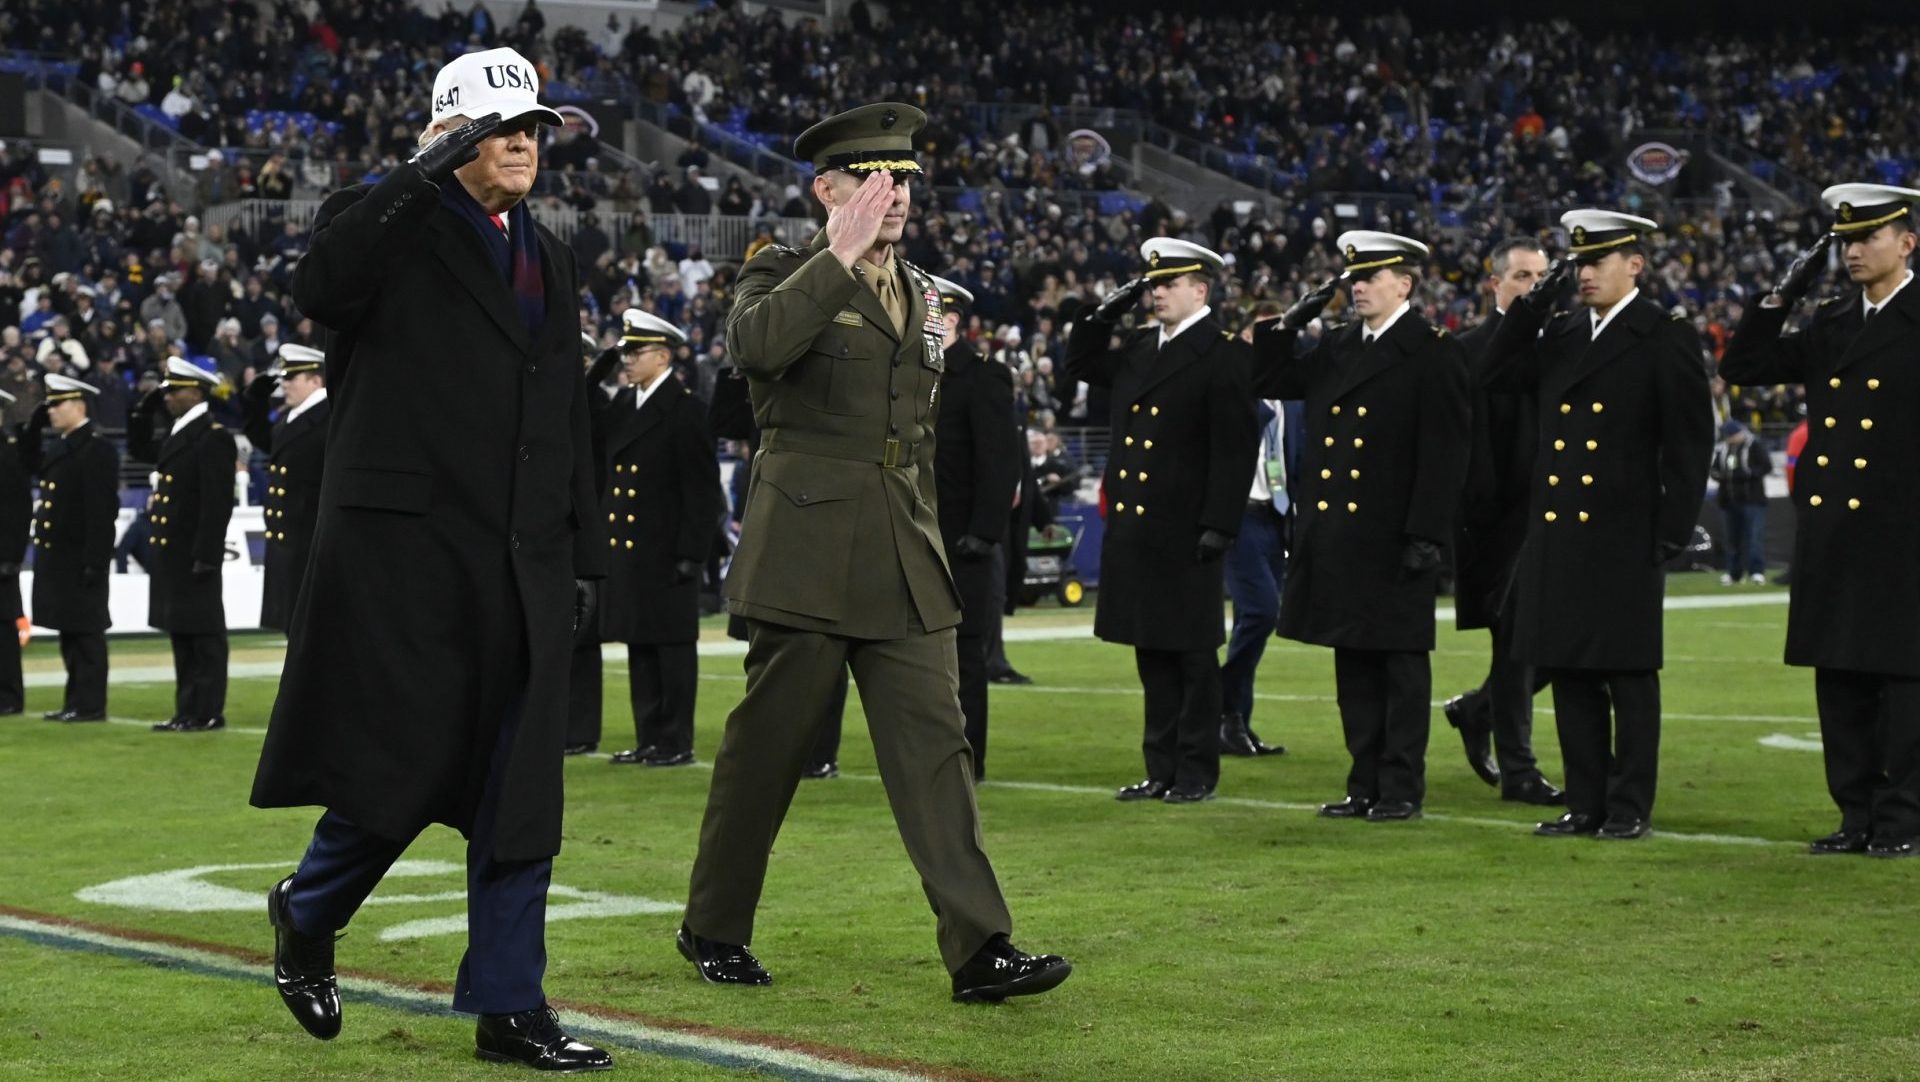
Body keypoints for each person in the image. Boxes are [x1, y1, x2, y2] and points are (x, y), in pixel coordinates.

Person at [247, 48, 613, 1071]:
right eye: (501, 126)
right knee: (399, 768)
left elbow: (564, 409)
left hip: (523, 559)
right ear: (450, 135)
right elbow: (322, 286)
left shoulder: (552, 250)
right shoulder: (384, 221)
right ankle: (307, 910)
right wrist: (415, 174)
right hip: (409, 558)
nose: (525, 141)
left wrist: (583, 550)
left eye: (534, 126)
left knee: (520, 788)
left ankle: (510, 1005)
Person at [682, 102, 1070, 1004]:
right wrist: (839, 254)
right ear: (827, 189)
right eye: (872, 179)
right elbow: (754, 348)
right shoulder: (781, 269)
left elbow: (917, 435)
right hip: (808, 550)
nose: (893, 195)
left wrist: (930, 530)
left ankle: (980, 948)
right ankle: (713, 925)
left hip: (902, 546)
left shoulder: (927, 293)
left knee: (938, 750)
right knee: (768, 754)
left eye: (903, 180)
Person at [1482, 210, 1713, 841]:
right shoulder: (1558, 333)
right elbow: (1493, 374)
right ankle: (1585, 802)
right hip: (1559, 532)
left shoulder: (1663, 335)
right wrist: (1529, 307)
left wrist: (1670, 531)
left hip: (1625, 531)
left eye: (1597, 262)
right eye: (1578, 263)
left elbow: (1691, 444)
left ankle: (1629, 803)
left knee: (1628, 675)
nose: (1585, 274)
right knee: (1573, 672)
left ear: (1633, 265)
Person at [1718, 183, 1920, 857]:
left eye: (1867, 238)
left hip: (1904, 536)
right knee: (1840, 682)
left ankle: (1902, 821)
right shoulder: (1832, 321)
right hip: (1834, 536)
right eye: (1844, 242)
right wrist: (1781, 296)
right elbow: (1742, 365)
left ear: (1907, 242)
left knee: (1904, 686)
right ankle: (1855, 815)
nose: (1854, 251)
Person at [1249, 231, 1471, 822]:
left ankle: (1400, 787)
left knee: (1398, 667)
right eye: (1353, 278)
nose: (1358, 286)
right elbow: (1269, 380)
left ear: (1405, 283)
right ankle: (1363, 781)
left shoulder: (1433, 349)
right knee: (1353, 665)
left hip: (1395, 537)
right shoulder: (1339, 344)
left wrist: (1427, 533)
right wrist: (1285, 324)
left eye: (1371, 276)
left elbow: (1445, 451)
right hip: (1340, 537)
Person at [1064, 238, 1257, 803]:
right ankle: (1160, 767)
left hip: (1187, 529)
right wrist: (1104, 311)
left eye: (1167, 284)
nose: (1155, 294)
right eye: (1150, 285)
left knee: (1192, 655)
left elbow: (1234, 447)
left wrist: (1220, 522)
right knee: (1151, 653)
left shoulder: (1223, 354)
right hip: (1137, 530)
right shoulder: (1138, 347)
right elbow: (1079, 362)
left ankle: (1195, 770)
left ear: (1201, 289)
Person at [1442, 238, 1565, 805]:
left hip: (1561, 517)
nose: (1531, 286)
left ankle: (1477, 711)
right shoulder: (1468, 349)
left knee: (1559, 645)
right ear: (1495, 284)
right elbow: (1469, 449)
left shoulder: (1565, 343)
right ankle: (1519, 769)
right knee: (1517, 645)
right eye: (1520, 276)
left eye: (1540, 276)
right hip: (1501, 523)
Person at [705, 361, 852, 778]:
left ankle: (820, 751)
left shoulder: (822, 384)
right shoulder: (768, 390)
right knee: (772, 645)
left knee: (822, 643)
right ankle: (781, 746)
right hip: (772, 524)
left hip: (818, 520)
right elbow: (722, 421)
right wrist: (735, 369)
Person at [588, 308, 720, 768]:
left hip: (667, 553)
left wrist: (691, 553)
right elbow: (587, 425)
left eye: (634, 351)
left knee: (671, 651)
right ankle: (649, 738)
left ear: (662, 356)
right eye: (624, 351)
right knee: (639, 646)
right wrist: (596, 371)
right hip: (631, 552)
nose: (627, 359)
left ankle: (675, 740)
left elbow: (702, 493)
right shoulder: (626, 404)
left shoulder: (686, 411)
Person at [929, 275, 1022, 780]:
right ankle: (927, 758)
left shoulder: (984, 376)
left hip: (961, 540)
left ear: (951, 320)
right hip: (914, 537)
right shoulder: (908, 372)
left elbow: (1001, 460)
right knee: (916, 658)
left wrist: (985, 533)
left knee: (965, 656)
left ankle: (968, 761)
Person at [129, 358, 236, 732]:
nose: (168, 397)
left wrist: (207, 555)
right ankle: (186, 709)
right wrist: (142, 410)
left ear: (196, 391)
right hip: (175, 555)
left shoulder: (213, 436)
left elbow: (217, 504)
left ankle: (207, 711)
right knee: (183, 635)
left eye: (174, 390)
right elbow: (139, 446)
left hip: (194, 555)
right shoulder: (181, 433)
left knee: (204, 636)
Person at [26, 374, 119, 723]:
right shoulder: (62, 446)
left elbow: (101, 512)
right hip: (61, 559)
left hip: (81, 558)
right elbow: (29, 464)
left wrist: (95, 561)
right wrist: (33, 429)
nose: (51, 411)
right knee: (69, 632)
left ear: (79, 406)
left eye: (57, 404)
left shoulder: (97, 450)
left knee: (87, 634)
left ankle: (91, 703)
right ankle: (75, 700)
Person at [1217, 388, 1298, 759]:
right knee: (1263, 612)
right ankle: (1221, 700)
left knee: (1252, 620)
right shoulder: (1241, 397)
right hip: (1240, 516)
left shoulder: (1294, 402)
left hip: (1275, 515)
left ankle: (1235, 722)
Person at [242, 344, 330, 632]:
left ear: (316, 380)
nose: (285, 384)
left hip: (310, 543)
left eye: (292, 377)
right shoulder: (288, 421)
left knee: (313, 633)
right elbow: (261, 438)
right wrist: (255, 398)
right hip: (288, 543)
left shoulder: (328, 418)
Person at [1709, 420, 1771, 585]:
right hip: (1729, 501)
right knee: (1732, 539)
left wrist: (1746, 474)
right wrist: (1722, 476)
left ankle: (1756, 571)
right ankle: (1734, 573)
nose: (1729, 438)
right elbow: (1715, 470)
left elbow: (1766, 466)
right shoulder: (1723, 450)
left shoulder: (1754, 446)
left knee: (1754, 537)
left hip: (1752, 500)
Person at [0, 388, 28, 715]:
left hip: (2, 559)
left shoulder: (8, 453)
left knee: (4, 628)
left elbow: (19, 509)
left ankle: (9, 696)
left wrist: (12, 557)